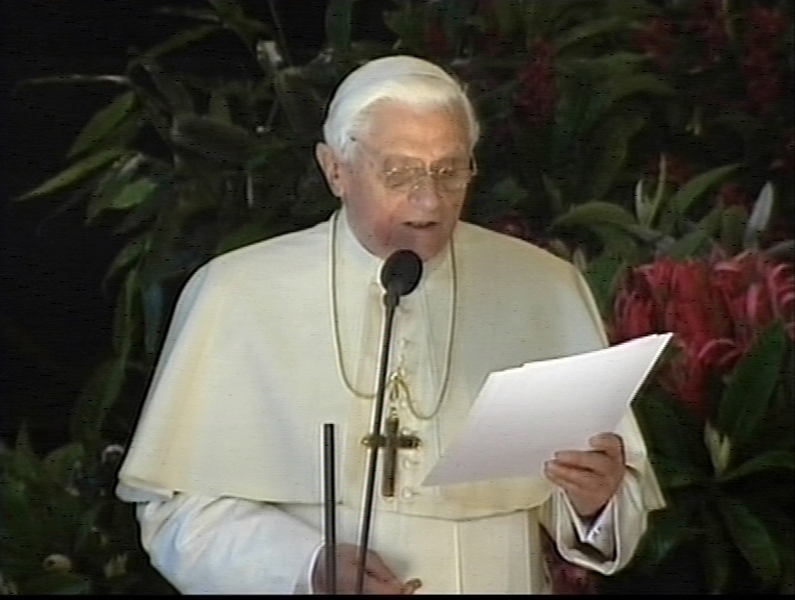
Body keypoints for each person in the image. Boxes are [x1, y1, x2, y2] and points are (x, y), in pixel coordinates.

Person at [116, 54, 665, 594]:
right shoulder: (239, 294)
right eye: (399, 173)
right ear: (336, 170)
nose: (428, 201)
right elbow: (178, 514)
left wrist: (597, 501)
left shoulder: (542, 287)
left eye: (450, 171)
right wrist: (304, 568)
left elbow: (609, 505)